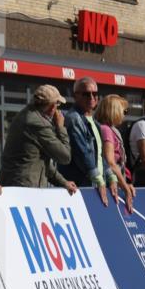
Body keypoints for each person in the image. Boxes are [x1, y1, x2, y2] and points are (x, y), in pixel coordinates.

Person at [0, 84, 76, 194]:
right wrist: (60, 127)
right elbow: (65, 156)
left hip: (17, 186)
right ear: (52, 107)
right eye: (57, 104)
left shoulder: (26, 115)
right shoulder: (37, 123)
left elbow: (43, 162)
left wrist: (64, 182)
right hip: (25, 190)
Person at [60, 77, 114, 205]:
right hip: (81, 187)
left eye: (95, 94)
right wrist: (99, 180)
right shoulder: (74, 119)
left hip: (95, 185)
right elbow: (82, 153)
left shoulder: (95, 123)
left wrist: (111, 176)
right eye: (86, 94)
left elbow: (99, 155)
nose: (91, 97)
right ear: (75, 96)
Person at [95, 94, 136, 211]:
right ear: (115, 111)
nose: (125, 114)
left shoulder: (109, 129)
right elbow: (110, 162)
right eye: (125, 111)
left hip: (114, 181)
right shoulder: (106, 130)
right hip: (110, 184)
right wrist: (125, 188)